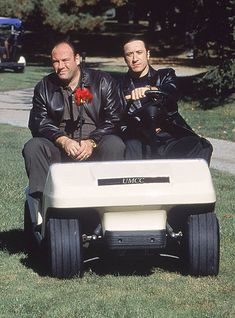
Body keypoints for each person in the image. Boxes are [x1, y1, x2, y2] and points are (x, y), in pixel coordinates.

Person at [23, 40, 125, 199]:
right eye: (55, 62)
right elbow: (38, 122)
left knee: (114, 144)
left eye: (65, 60)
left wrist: (91, 141)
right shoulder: (44, 86)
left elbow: (115, 119)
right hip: (61, 147)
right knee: (33, 146)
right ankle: (42, 207)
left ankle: (110, 200)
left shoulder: (103, 81)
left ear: (77, 59)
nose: (60, 66)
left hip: (96, 144)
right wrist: (63, 140)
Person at [119, 37, 213, 163]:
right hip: (139, 138)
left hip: (169, 135)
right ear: (125, 59)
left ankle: (182, 181)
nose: (135, 59)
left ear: (148, 54)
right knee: (132, 147)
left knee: (198, 145)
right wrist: (142, 129)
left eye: (139, 52)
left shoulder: (165, 76)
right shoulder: (119, 87)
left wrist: (150, 89)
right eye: (130, 54)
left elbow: (172, 90)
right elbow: (119, 120)